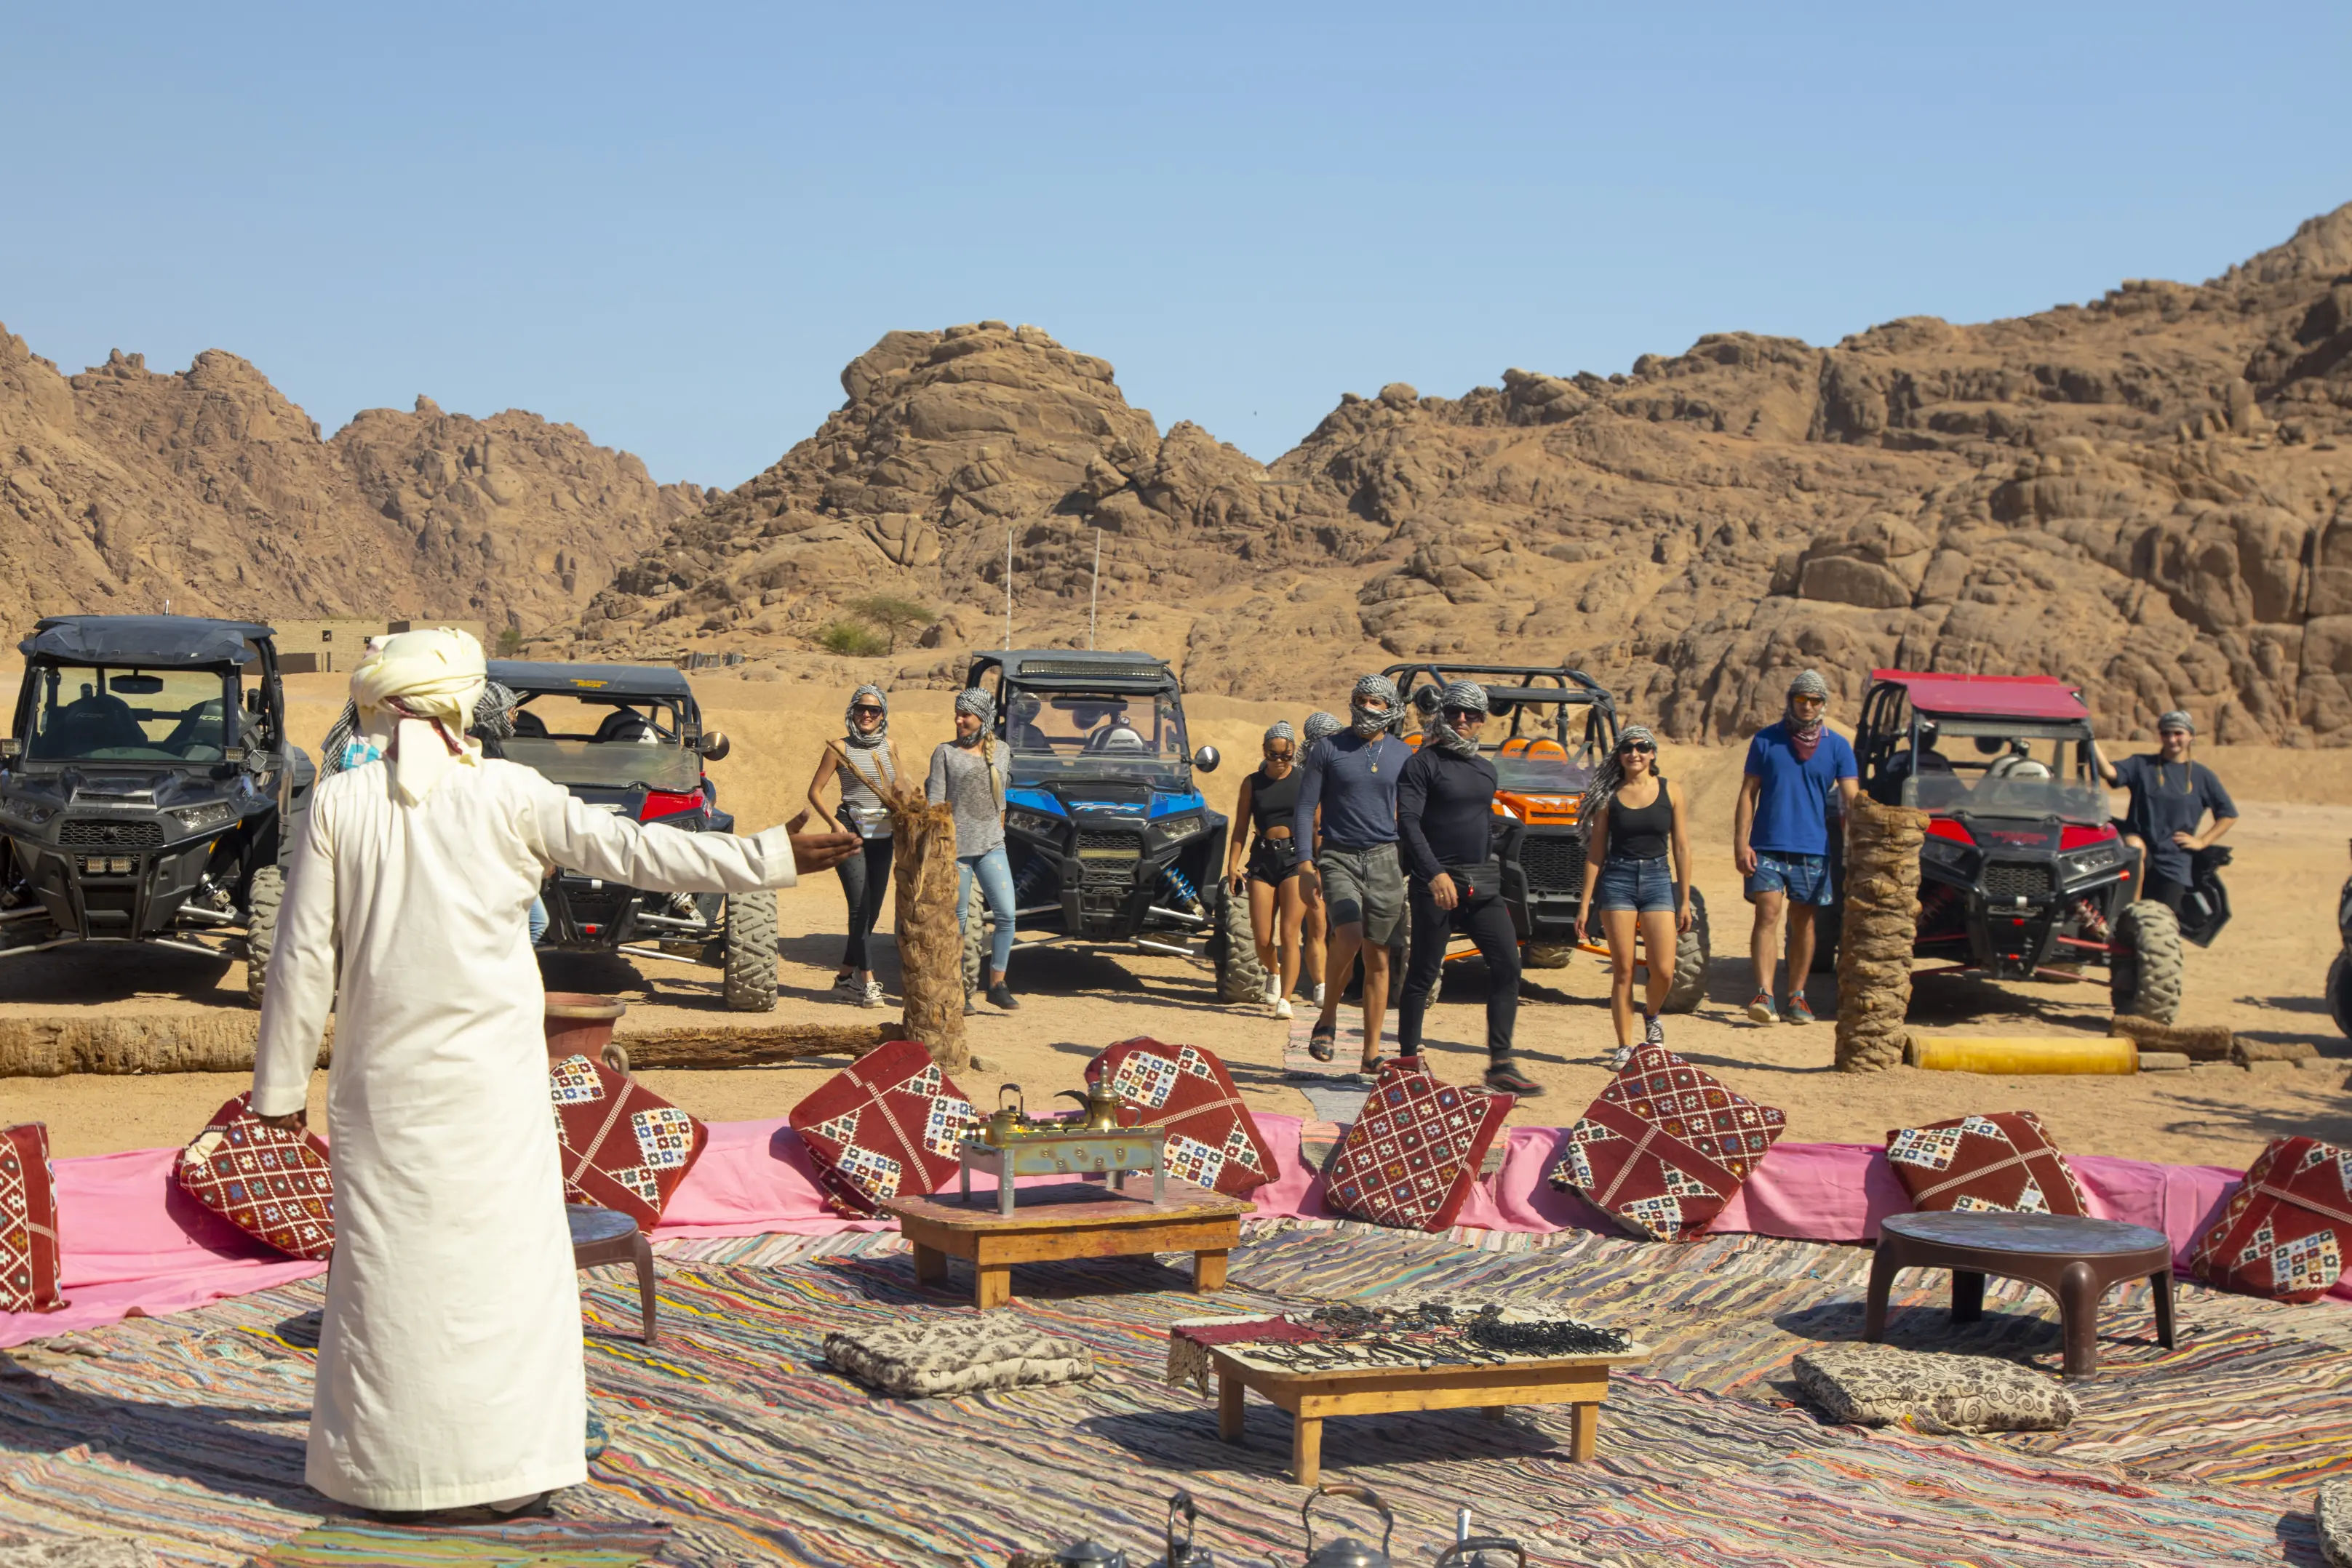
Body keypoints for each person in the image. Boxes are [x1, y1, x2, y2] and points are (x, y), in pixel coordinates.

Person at [248, 628, 855, 1519]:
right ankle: (505, 1472)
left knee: (390, 1278)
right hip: (492, 1095)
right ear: (466, 706)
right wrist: (766, 855)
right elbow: (639, 852)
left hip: (383, 1093)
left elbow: (302, 957)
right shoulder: (512, 793)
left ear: (383, 707)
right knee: (504, 1281)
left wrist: (277, 1094)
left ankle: (386, 1476)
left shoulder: (339, 803)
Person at [1395, 682, 1536, 1095]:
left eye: (1471, 714)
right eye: (1455, 711)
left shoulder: (1486, 769)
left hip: (1482, 883)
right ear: (1443, 714)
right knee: (1423, 973)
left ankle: (1501, 1065)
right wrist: (1434, 873)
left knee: (1508, 966)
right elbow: (1409, 823)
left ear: (1482, 721)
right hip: (1435, 884)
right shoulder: (1422, 764)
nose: (1462, 719)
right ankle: (1408, 1061)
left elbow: (1476, 821)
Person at [1296, 676, 1411, 1072]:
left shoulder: (1403, 754)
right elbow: (1305, 807)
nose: (1366, 707)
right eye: (1360, 700)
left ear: (1391, 708)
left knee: (1379, 955)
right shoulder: (1328, 748)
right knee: (1348, 934)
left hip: (1385, 859)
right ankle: (1327, 1017)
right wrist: (1305, 865)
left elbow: (1412, 811)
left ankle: (1370, 1054)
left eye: (1376, 702)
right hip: (1338, 856)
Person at [1733, 669, 1857, 1025]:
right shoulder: (1766, 740)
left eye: (1815, 700)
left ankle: (1797, 997)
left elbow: (1851, 799)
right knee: (1767, 913)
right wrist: (1741, 842)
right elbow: (1748, 793)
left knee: (1803, 921)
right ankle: (1764, 994)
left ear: (1823, 704)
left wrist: (1860, 840)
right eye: (1801, 699)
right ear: (1790, 700)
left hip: (1813, 848)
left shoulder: (1838, 746)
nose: (1807, 706)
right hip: (1767, 845)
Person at [1572, 724, 1694, 1067]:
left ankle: (1651, 1015)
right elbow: (1596, 853)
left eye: (1642, 747)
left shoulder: (1671, 791)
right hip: (1618, 881)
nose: (1634, 753)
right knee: (1623, 970)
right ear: (1620, 755)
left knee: (1664, 970)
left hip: (1658, 880)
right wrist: (1585, 904)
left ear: (1653, 753)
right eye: (1627, 748)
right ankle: (1624, 1046)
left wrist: (1684, 900)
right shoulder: (1608, 797)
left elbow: (1682, 848)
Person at [806, 684, 901, 1007]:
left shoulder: (890, 746)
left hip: (884, 834)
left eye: (874, 710)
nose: (867, 714)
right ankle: (868, 982)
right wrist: (835, 824)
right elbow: (815, 791)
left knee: (872, 911)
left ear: (882, 714)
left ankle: (845, 978)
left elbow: (899, 786)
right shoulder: (839, 748)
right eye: (861, 708)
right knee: (859, 905)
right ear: (852, 711)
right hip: (850, 831)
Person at [2090, 709, 2236, 914]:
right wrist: (2089, 738)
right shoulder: (2142, 765)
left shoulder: (2202, 776)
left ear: (2191, 736)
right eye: (2166, 733)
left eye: (2178, 733)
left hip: (2175, 860)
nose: (2172, 739)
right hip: (2141, 853)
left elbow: (2228, 814)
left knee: (2165, 919)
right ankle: (2131, 911)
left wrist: (2202, 841)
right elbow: (2109, 772)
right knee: (2133, 846)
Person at [930, 687, 1018, 1012]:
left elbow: (1001, 799)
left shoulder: (1002, 751)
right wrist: (940, 848)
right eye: (957, 714)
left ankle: (997, 984)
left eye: (965, 715)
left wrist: (999, 830)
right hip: (957, 850)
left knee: (1007, 914)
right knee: (961, 920)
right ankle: (960, 989)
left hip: (992, 846)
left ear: (982, 718)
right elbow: (935, 803)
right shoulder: (945, 753)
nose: (959, 720)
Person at [1222, 721, 1307, 1018]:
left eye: (1286, 754)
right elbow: (1240, 828)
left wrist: (1317, 864)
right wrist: (1232, 866)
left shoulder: (1303, 780)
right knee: (1261, 936)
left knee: (1289, 933)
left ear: (1294, 752)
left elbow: (1317, 825)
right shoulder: (1252, 783)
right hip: (1262, 859)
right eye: (1274, 754)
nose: (1280, 760)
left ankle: (1286, 999)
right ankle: (1274, 971)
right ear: (1264, 751)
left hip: (1295, 859)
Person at [1295, 710, 1344, 1007]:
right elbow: (1310, 822)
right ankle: (1322, 985)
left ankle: (1337, 981)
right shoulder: (1303, 777)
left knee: (1341, 927)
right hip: (1309, 860)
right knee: (1319, 927)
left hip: (1339, 857)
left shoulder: (1341, 774)